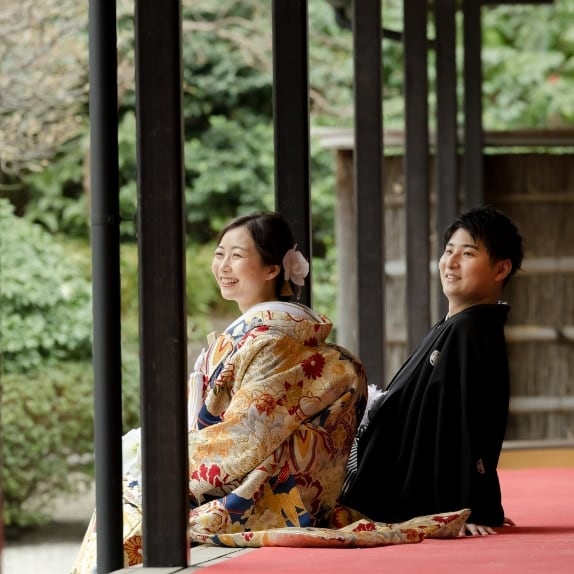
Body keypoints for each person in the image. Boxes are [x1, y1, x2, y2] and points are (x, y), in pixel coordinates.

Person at [340, 205, 524, 537]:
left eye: (467, 254)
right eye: (448, 251)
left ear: (501, 269)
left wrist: (469, 506)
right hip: (377, 477)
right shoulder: (456, 324)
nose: (450, 263)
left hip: (387, 489)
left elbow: (466, 419)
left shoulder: (469, 329)